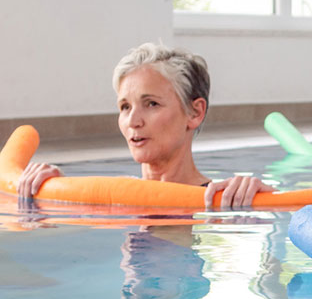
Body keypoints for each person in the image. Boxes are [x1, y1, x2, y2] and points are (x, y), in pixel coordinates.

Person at [16, 43, 272, 209]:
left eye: (151, 104)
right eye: (125, 107)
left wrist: (264, 199)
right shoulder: (111, 197)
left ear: (195, 112)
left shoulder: (223, 199)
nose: (133, 121)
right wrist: (48, 194)